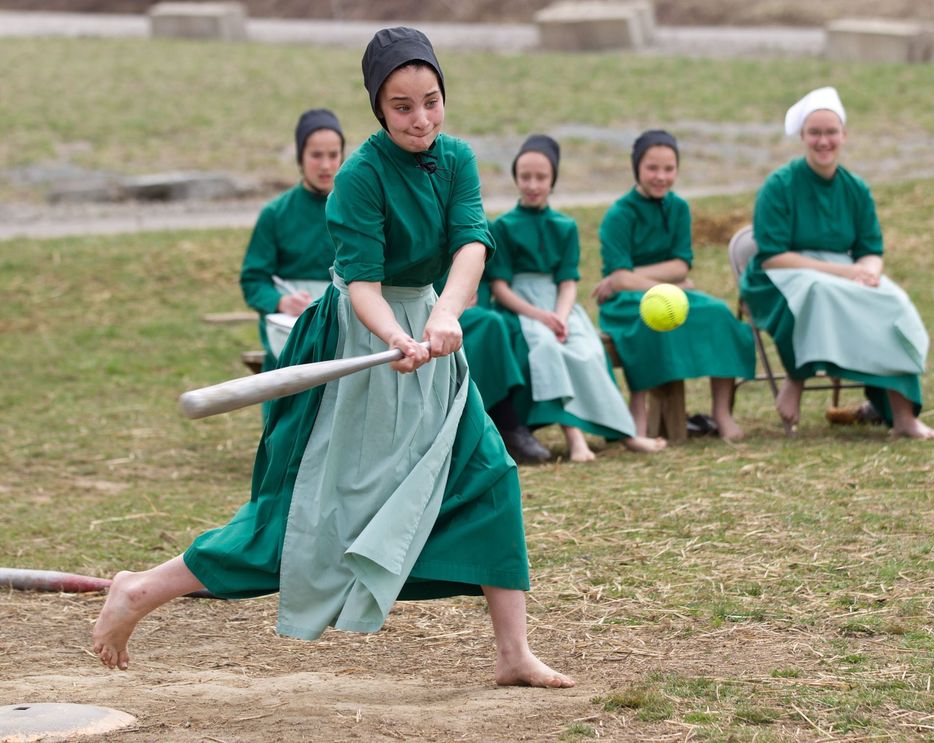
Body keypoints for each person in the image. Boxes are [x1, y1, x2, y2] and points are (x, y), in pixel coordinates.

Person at [92, 27, 574, 689]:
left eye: (431, 100)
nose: (421, 118)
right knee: (306, 517)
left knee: (489, 475)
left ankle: (512, 651)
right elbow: (365, 286)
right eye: (402, 106)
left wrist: (440, 315)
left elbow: (471, 246)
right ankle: (142, 589)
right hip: (358, 334)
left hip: (430, 332)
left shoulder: (456, 158)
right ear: (379, 107)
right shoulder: (358, 178)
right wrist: (396, 338)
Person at [741, 86, 934, 439]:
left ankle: (903, 414)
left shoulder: (855, 188)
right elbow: (772, 256)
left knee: (892, 302)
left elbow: (870, 248)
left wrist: (868, 275)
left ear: (844, 135)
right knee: (818, 292)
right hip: (782, 275)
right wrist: (844, 272)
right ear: (803, 136)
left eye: (830, 132)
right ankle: (796, 377)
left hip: (843, 271)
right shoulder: (780, 185)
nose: (823, 141)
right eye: (814, 132)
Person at [488, 134, 667, 462]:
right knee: (546, 347)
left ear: (552, 180)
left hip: (559, 302)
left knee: (587, 349)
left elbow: (568, 282)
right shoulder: (503, 226)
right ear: (515, 178)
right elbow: (500, 287)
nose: (532, 184)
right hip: (520, 307)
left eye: (541, 177)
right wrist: (540, 316)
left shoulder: (564, 225)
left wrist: (560, 313)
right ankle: (575, 439)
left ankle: (625, 434)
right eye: (525, 177)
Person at [593, 130, 756, 441]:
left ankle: (721, 411)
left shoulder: (678, 208)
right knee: (647, 322)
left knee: (718, 314)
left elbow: (680, 265)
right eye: (652, 168)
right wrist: (662, 281)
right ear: (637, 168)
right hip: (626, 302)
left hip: (673, 294)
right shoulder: (619, 214)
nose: (661, 176)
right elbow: (620, 280)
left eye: (669, 169)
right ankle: (637, 406)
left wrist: (641, 276)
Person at [240, 108, 344, 371]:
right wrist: (281, 302)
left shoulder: (358, 210)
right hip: (291, 333)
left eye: (333, 155)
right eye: (316, 155)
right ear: (300, 157)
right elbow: (254, 279)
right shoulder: (276, 214)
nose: (325, 165)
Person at [434, 273, 552, 464]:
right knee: (490, 323)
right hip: (436, 310)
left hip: (475, 303)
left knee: (501, 325)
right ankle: (508, 423)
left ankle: (504, 426)